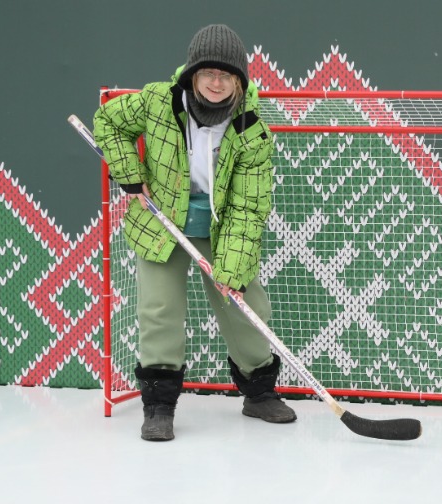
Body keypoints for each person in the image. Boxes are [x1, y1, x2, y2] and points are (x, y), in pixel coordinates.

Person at [93, 24, 296, 441]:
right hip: (161, 222)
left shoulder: (251, 130)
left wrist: (232, 267)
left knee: (245, 306)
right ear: (193, 74)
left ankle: (259, 392)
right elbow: (107, 121)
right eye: (208, 73)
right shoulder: (157, 101)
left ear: (239, 81)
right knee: (159, 309)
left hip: (221, 228)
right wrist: (129, 174)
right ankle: (159, 406)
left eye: (227, 75)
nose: (216, 83)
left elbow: (248, 205)